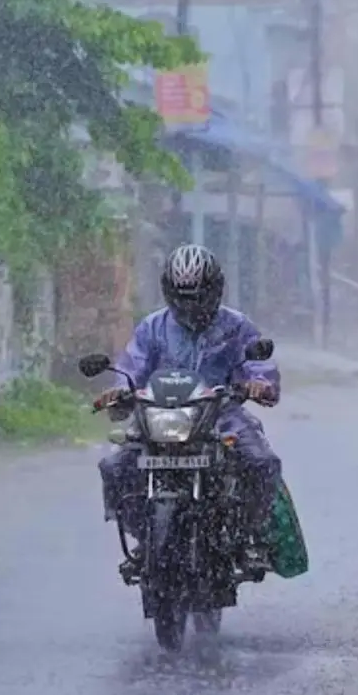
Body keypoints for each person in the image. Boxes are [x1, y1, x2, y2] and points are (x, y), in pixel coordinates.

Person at [97, 244, 282, 572]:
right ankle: (144, 537)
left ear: (215, 290)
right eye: (182, 297)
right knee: (116, 467)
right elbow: (132, 368)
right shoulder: (152, 327)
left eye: (198, 296)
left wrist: (259, 384)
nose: (190, 305)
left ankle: (250, 536)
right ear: (168, 292)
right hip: (160, 416)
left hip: (222, 414)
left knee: (262, 463)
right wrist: (119, 392)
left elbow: (258, 367)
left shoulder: (236, 327)